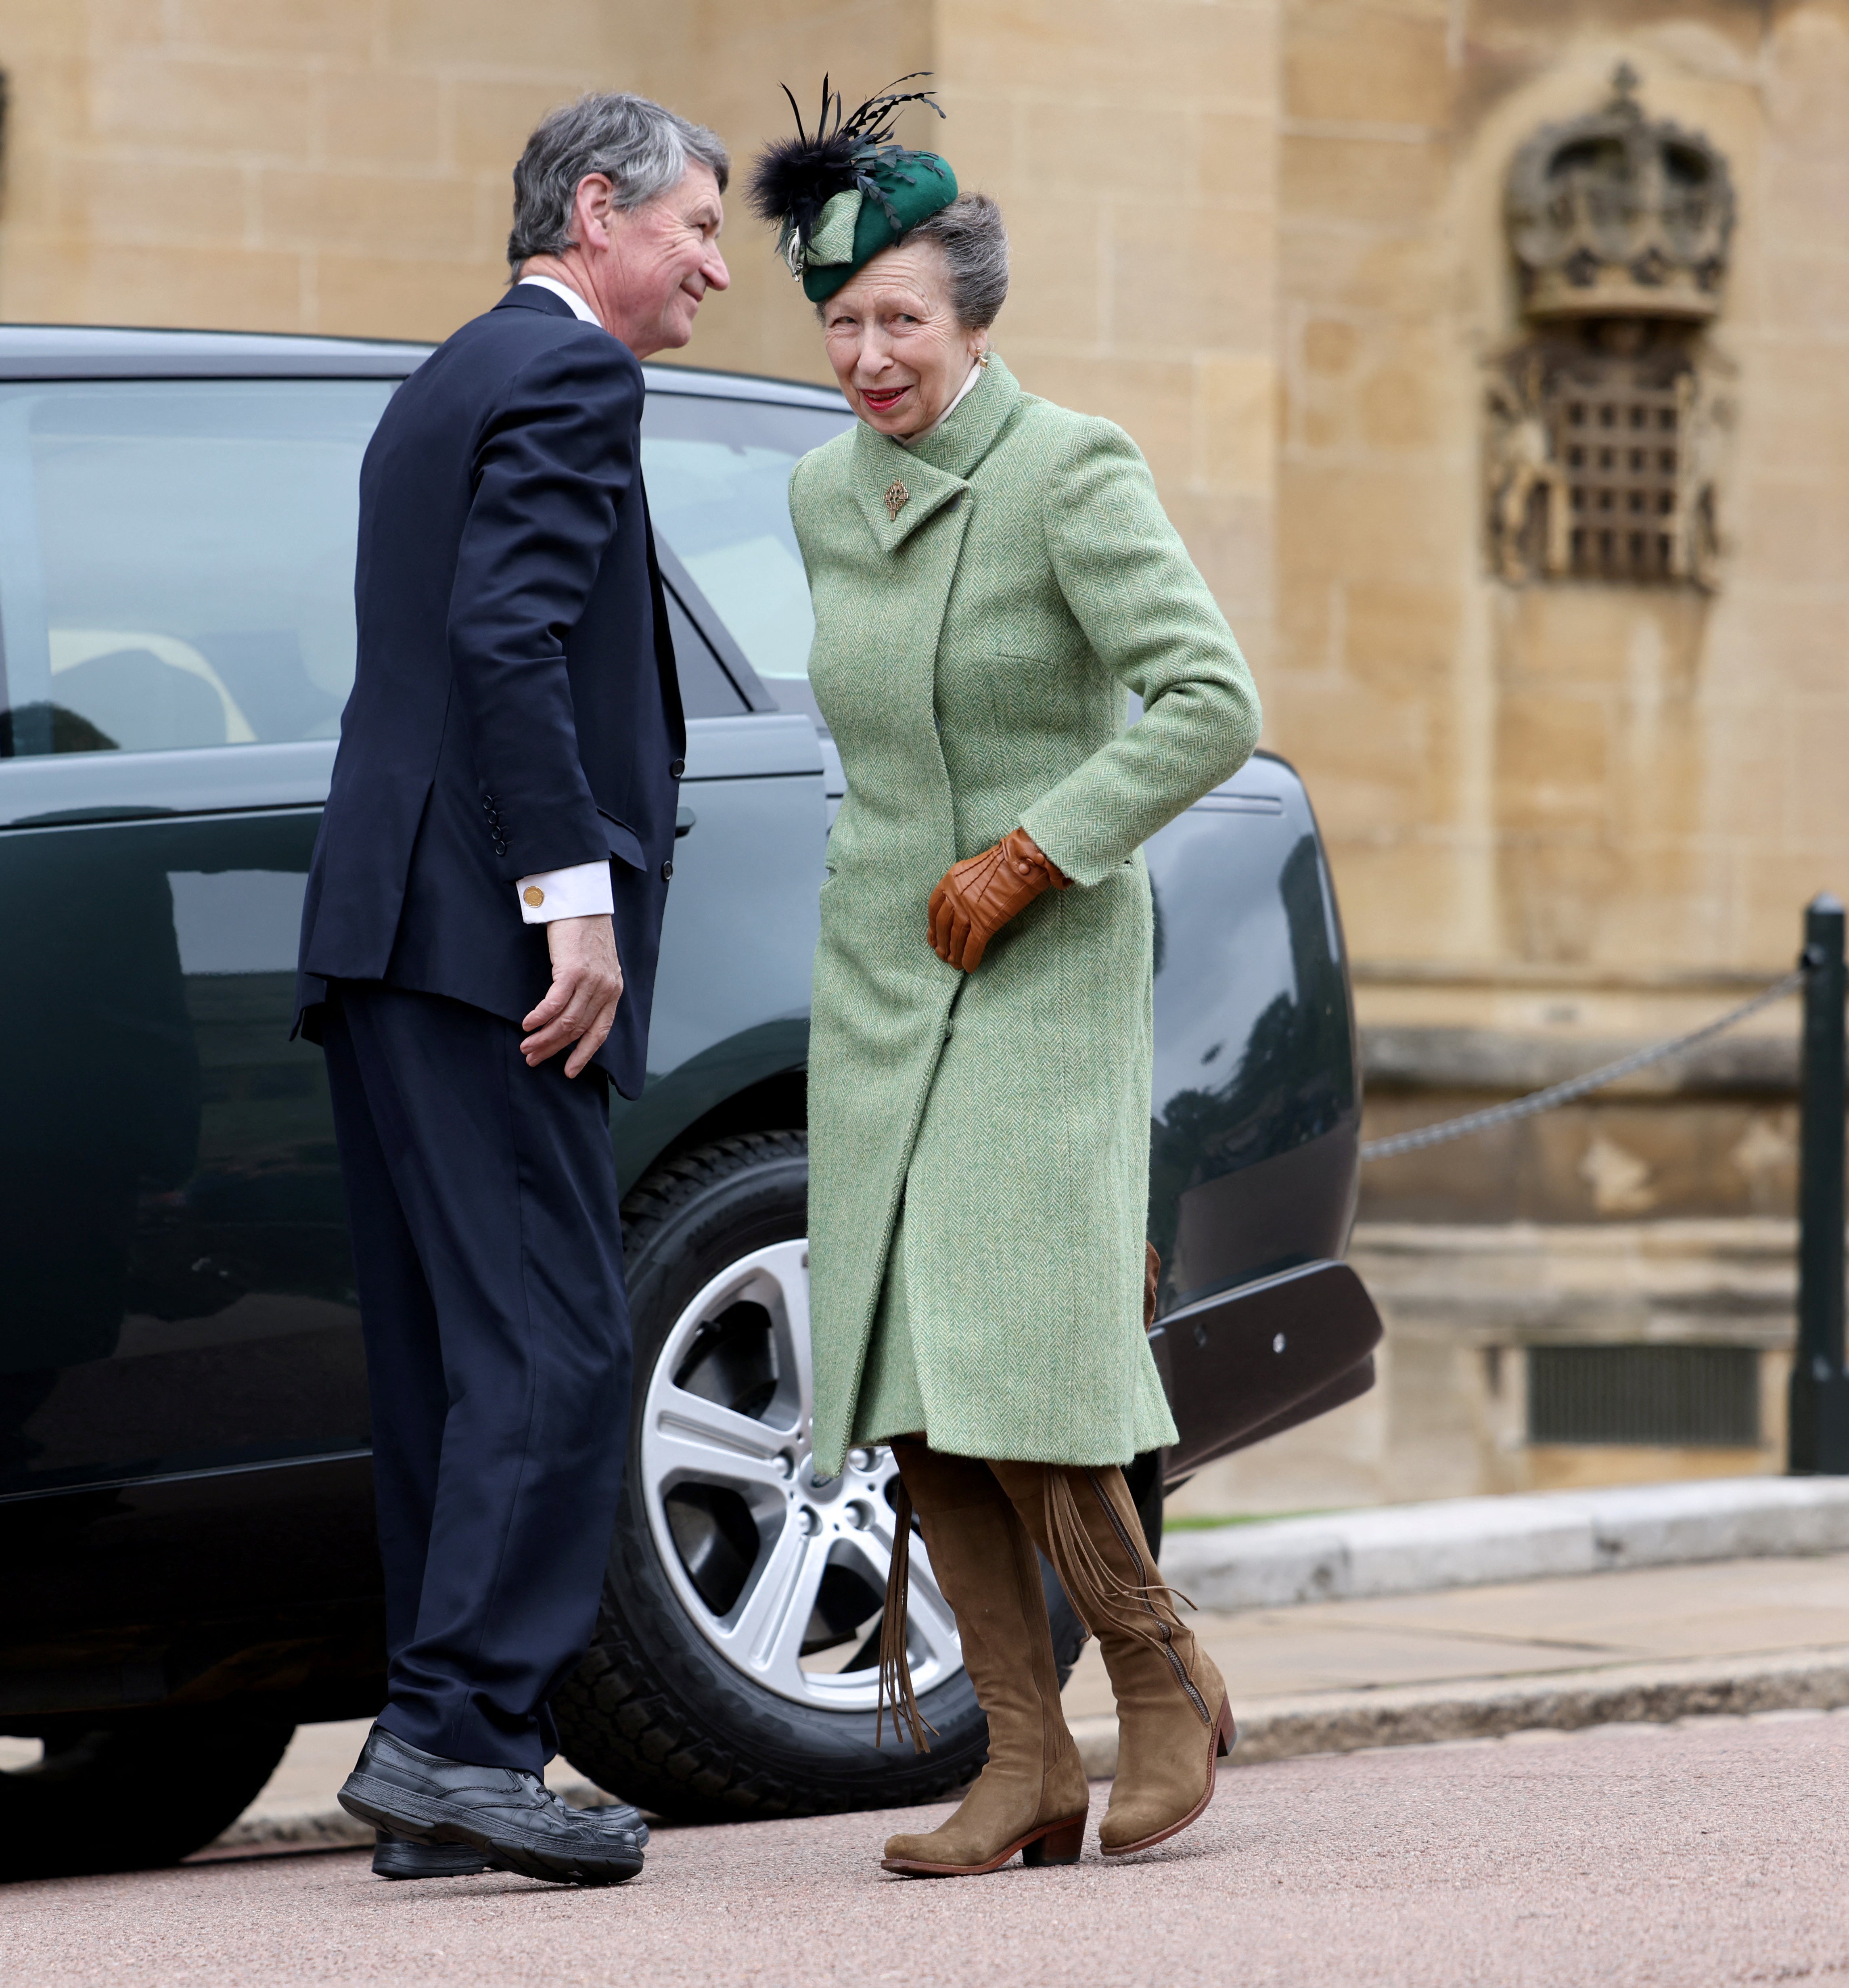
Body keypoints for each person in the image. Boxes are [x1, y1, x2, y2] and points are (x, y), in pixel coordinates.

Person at [751, 80, 1264, 1876]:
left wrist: (1037, 848)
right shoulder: (822, 492)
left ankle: (1151, 1669)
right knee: (906, 1363)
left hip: (1040, 955)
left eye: (899, 320)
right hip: (884, 970)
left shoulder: (1070, 468)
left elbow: (1209, 703)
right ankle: (1023, 1755)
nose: (867, 354)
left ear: (972, 323)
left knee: (1023, 1340)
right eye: (841, 323)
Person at [298, 90, 729, 1888]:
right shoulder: (572, 378)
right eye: (695, 225)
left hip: (386, 934)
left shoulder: (444, 373)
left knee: (453, 1355)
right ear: (595, 209)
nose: (715, 262)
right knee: (557, 1337)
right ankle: (460, 1734)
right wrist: (573, 906)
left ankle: (438, 1755)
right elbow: (506, 638)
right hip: (491, 941)